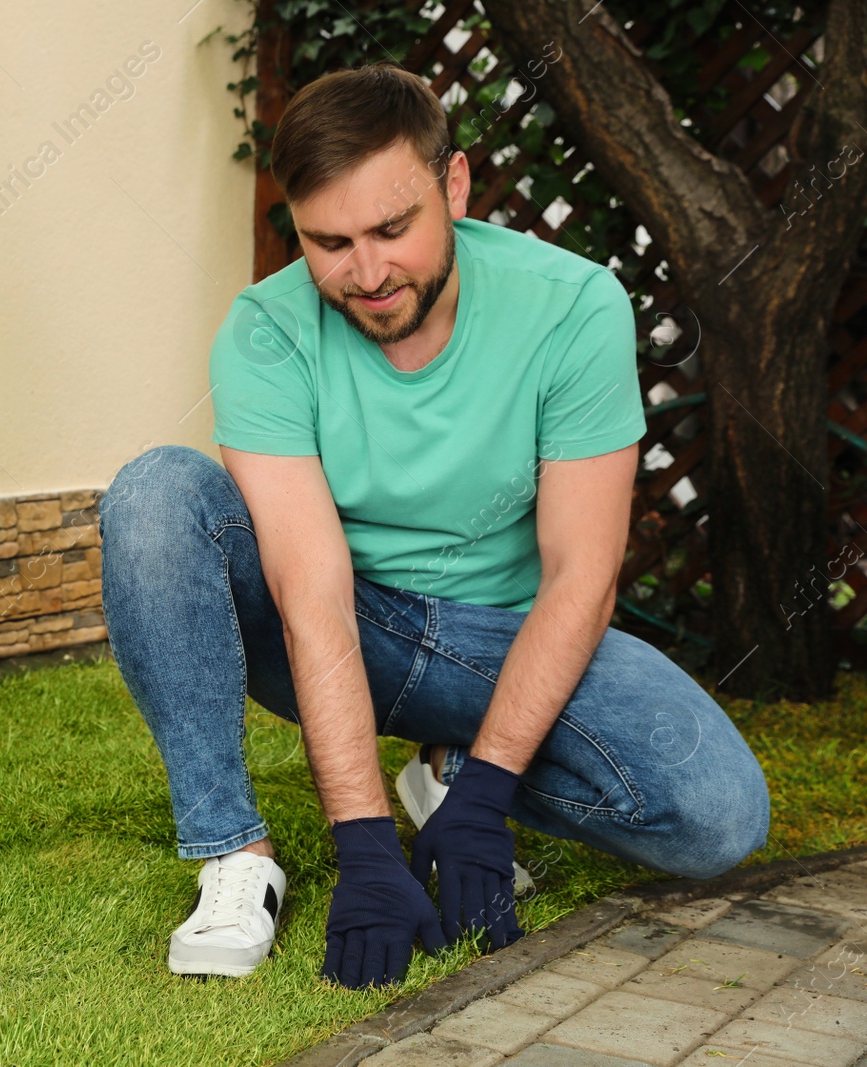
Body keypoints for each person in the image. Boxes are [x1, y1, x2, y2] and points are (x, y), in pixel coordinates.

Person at [96, 63, 770, 990]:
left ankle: (452, 774)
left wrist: (491, 790)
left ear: (453, 185)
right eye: (329, 241)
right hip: (345, 623)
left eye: (392, 229)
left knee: (718, 816)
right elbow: (313, 595)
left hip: (499, 640)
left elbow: (582, 576)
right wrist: (366, 848)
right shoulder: (265, 331)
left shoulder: (571, 307)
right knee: (154, 493)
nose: (367, 274)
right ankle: (237, 856)